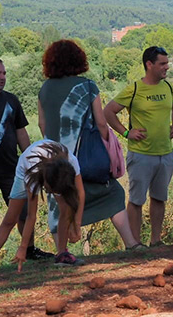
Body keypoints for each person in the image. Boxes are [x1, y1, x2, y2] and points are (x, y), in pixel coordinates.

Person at [39, 40, 140, 250]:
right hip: (84, 160)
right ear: (79, 60)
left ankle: (62, 253)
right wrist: (103, 144)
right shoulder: (87, 86)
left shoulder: (45, 88)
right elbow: (101, 122)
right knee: (113, 193)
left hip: (55, 158)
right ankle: (131, 243)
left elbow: (42, 124)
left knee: (58, 203)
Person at [0, 58, 52, 259]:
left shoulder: (11, 100)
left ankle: (29, 250)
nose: (3, 77)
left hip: (11, 170)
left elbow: (21, 131)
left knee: (22, 213)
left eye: (4, 73)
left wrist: (32, 159)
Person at [105, 46, 173, 246]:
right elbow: (109, 112)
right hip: (141, 155)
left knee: (159, 198)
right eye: (162, 63)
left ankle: (156, 241)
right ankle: (135, 244)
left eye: (167, 63)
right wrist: (125, 132)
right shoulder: (135, 89)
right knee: (137, 200)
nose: (167, 67)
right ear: (149, 64)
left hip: (165, 154)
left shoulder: (168, 87)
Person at [0, 140, 85, 275]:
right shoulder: (33, 170)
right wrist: (23, 248)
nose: (49, 193)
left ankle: (62, 254)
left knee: (66, 208)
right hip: (26, 169)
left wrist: (77, 225)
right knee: (11, 218)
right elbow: (31, 215)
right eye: (49, 190)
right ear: (45, 181)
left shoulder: (71, 162)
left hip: (53, 172)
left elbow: (80, 194)